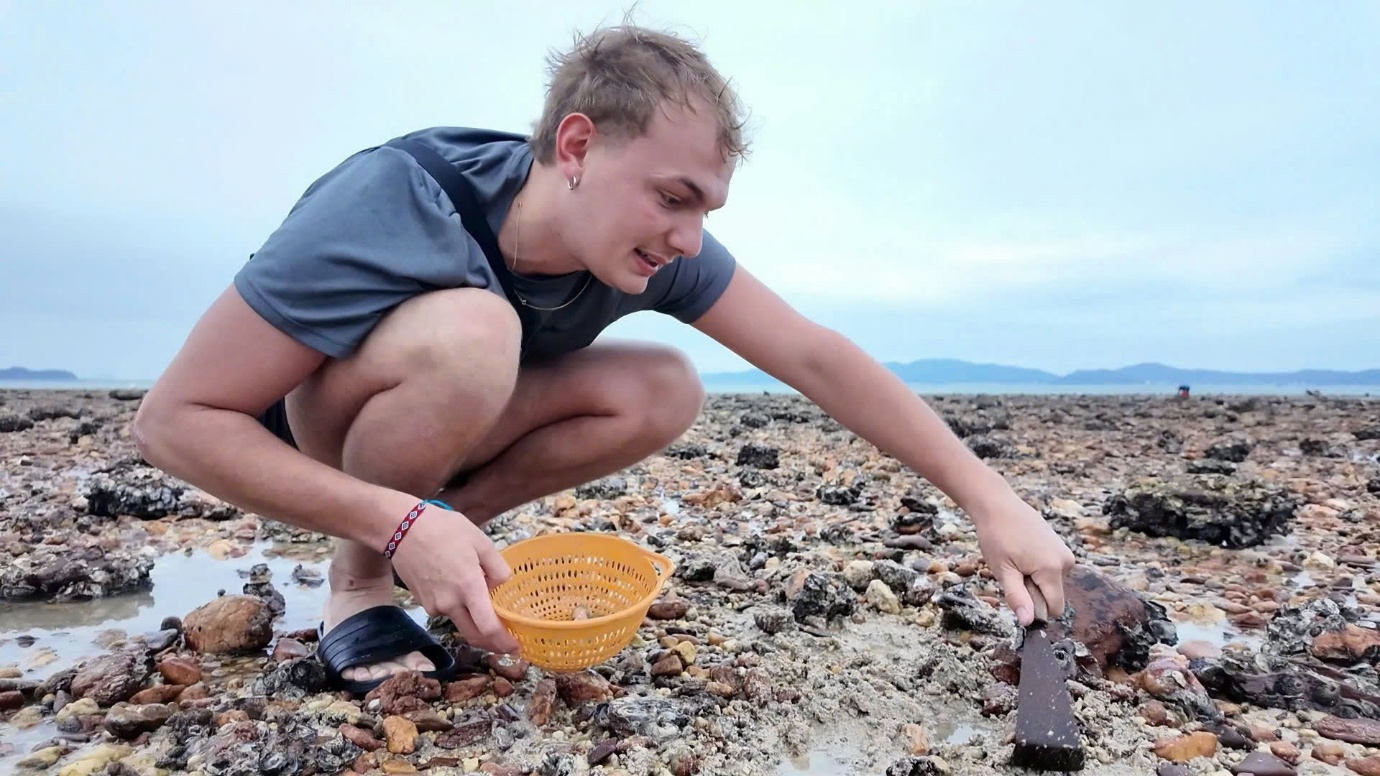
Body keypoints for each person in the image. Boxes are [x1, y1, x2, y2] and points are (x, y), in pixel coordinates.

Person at [133, 22, 1076, 693]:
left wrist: (994, 502)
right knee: (474, 330)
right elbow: (174, 423)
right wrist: (390, 521)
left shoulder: (644, 250)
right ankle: (363, 579)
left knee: (663, 385)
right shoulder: (395, 198)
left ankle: (444, 534)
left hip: (441, 434)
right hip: (318, 439)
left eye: (705, 210)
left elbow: (815, 356)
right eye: (675, 198)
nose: (688, 237)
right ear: (577, 144)